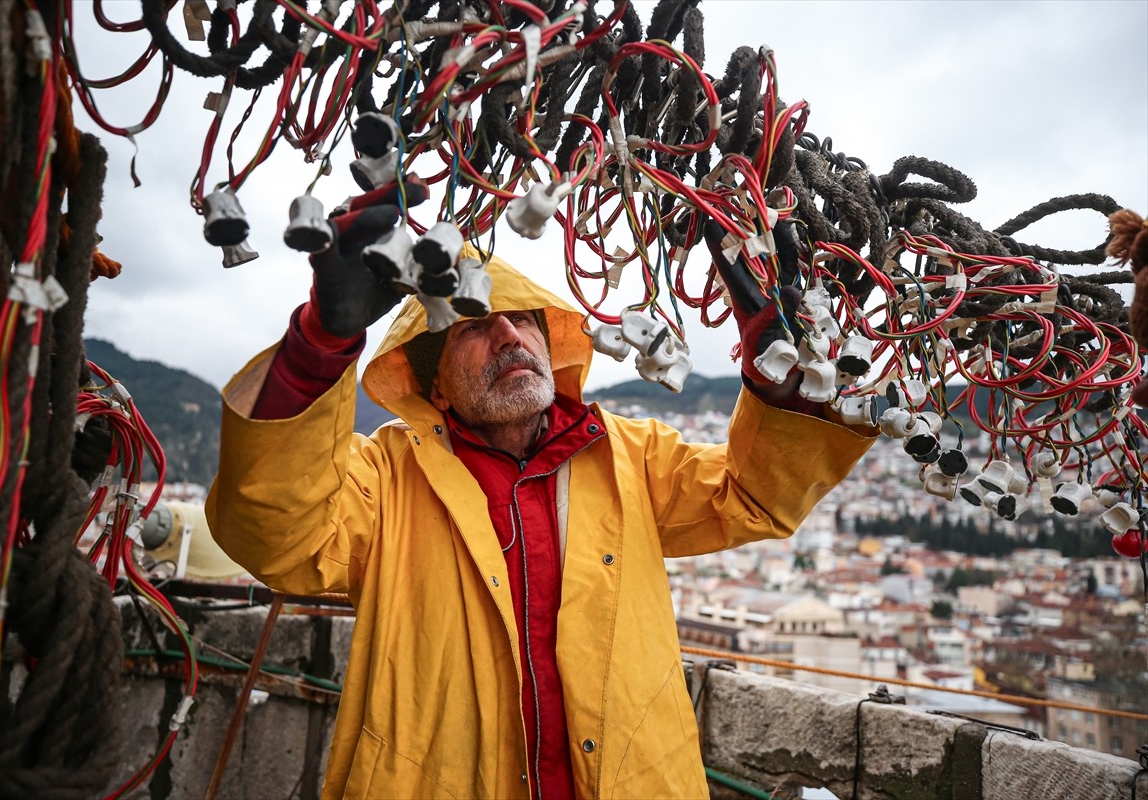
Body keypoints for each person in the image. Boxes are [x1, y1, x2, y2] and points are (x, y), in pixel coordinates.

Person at [206, 180, 877, 800]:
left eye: (524, 320)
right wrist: (319, 346)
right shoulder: (385, 480)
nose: (509, 335)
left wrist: (780, 393)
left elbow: (753, 496)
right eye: (471, 325)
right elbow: (277, 534)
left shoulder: (630, 456)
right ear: (432, 385)